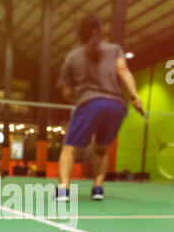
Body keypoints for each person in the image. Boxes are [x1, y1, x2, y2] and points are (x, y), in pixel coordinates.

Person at [56, 14, 143, 201]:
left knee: (69, 148)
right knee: (101, 149)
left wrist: (77, 97)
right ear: (100, 31)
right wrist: (135, 97)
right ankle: (98, 188)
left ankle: (63, 190)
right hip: (117, 105)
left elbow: (66, 91)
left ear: (79, 33)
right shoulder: (114, 49)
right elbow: (124, 71)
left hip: (90, 103)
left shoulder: (72, 57)